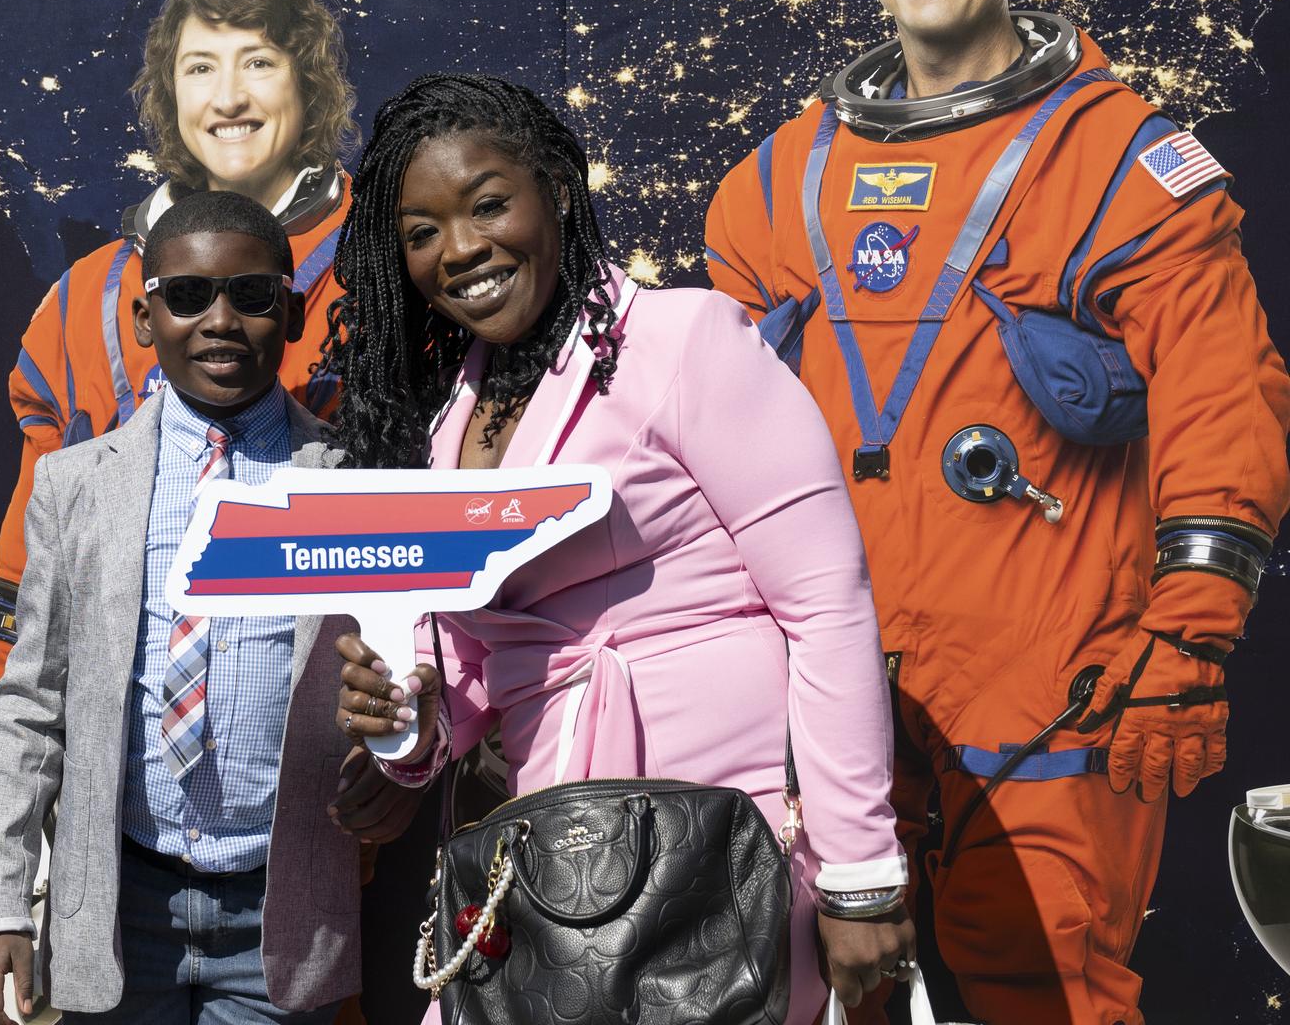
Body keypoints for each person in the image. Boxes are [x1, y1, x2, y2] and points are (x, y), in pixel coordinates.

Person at [705, 0, 1290, 1025]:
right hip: (836, 679)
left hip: (1049, 675)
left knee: (1050, 992)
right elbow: (712, 458)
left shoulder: (1123, 163)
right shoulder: (768, 189)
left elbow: (1221, 399)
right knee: (828, 988)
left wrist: (1187, 636)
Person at [324, 74, 915, 1022]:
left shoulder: (683, 339)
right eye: (423, 231)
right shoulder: (448, 423)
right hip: (557, 862)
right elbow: (477, 664)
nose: (462, 249)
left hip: (725, 852)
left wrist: (859, 872)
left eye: (487, 205)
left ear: (555, 187)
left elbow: (829, 607)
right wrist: (411, 718)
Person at [0, 191, 361, 1025]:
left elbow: (400, 680)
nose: (220, 320)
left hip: (279, 919)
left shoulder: (350, 482)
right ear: (146, 319)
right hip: (117, 911)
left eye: (251, 296)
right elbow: (30, 706)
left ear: (289, 314)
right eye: (187, 296)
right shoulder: (76, 486)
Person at [0, 0, 355, 710]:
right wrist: (2, 689)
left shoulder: (385, 258)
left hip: (328, 683)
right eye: (201, 68)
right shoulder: (89, 297)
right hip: (128, 700)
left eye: (259, 62)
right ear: (170, 94)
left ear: (307, 81)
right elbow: (36, 530)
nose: (230, 97)